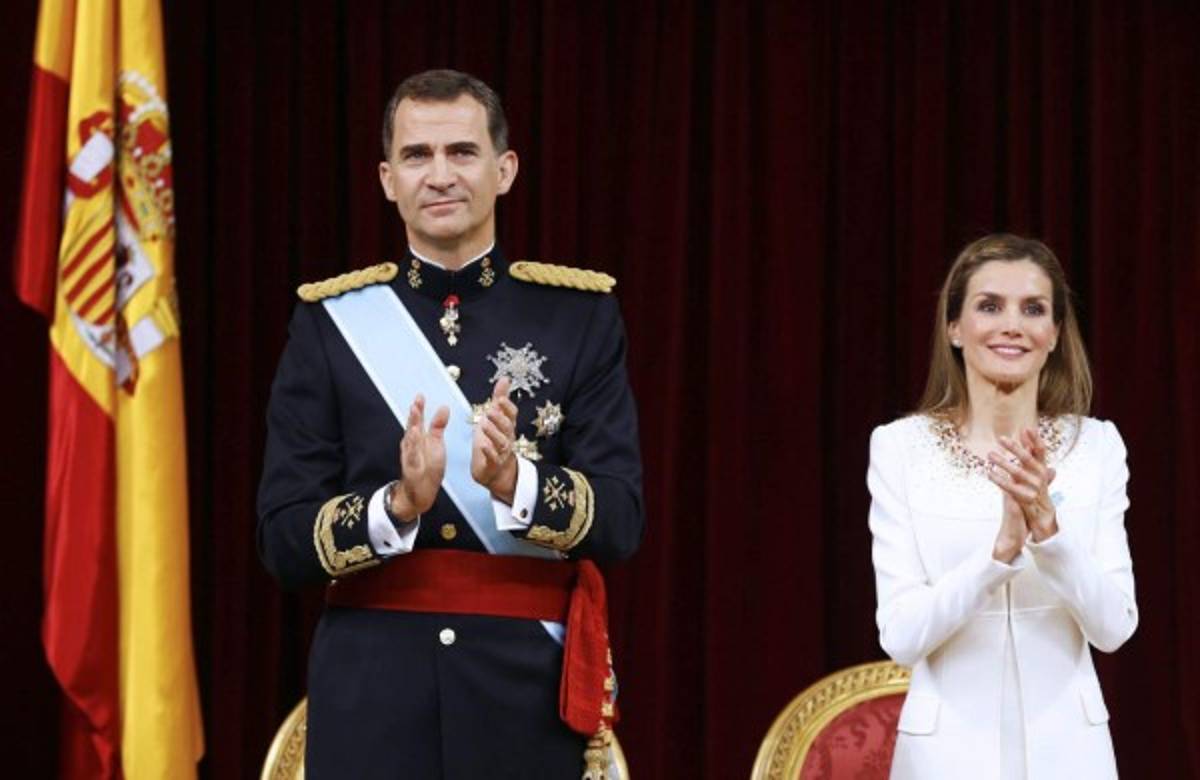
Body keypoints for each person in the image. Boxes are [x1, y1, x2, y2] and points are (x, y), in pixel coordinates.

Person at [257, 69, 643, 779]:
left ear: (505, 169)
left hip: (524, 695)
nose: (440, 175)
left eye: (462, 152)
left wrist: (514, 482)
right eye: (416, 156)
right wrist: (396, 506)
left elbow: (620, 520)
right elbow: (282, 540)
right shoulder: (329, 326)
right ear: (386, 178)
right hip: (372, 688)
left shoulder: (579, 316)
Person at [866, 234, 1137, 779]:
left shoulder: (1098, 446)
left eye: (1033, 309)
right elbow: (901, 637)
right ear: (954, 328)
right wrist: (998, 555)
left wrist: (1049, 534)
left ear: (1055, 334)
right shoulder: (900, 447)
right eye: (989, 306)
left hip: (1072, 756)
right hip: (944, 757)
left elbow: (1114, 627)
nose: (1012, 325)